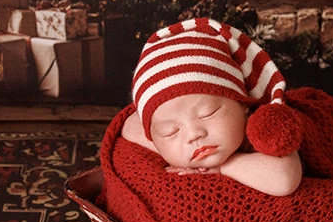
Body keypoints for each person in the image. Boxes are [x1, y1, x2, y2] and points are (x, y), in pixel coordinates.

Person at [119, 18, 304, 197]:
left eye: (208, 114)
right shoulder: (157, 130)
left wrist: (225, 166)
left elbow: (285, 180)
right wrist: (166, 145)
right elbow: (129, 126)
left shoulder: (263, 128)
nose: (194, 134)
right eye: (171, 131)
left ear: (243, 103)